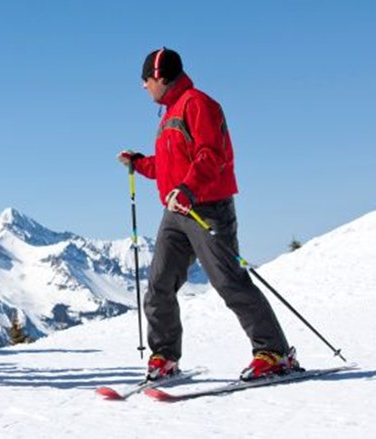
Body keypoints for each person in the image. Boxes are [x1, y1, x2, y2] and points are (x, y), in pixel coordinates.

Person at [118, 47, 298, 381]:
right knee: (159, 284)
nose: (144, 87)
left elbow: (210, 154)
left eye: (145, 80)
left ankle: (273, 352)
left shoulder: (197, 104)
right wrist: (139, 162)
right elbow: (169, 167)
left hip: (207, 207)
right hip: (176, 212)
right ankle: (164, 357)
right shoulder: (169, 112)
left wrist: (188, 190)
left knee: (228, 280)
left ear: (158, 76)